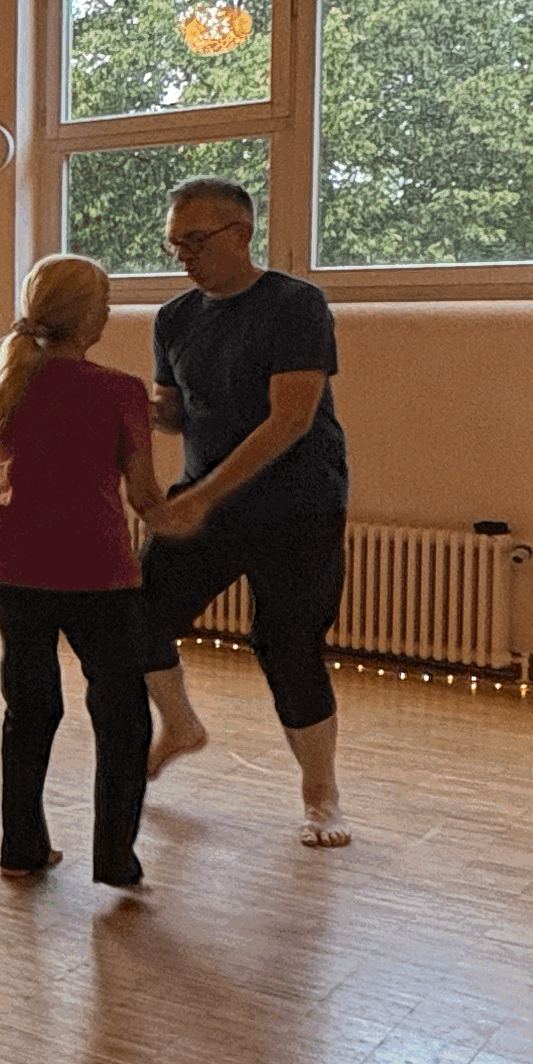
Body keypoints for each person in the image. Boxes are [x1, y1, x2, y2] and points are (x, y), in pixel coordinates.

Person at [134, 178, 354, 846]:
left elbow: (290, 419)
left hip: (298, 506)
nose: (185, 255)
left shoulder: (296, 305)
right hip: (206, 500)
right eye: (176, 244)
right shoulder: (173, 318)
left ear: (242, 233)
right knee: (135, 620)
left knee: (287, 648)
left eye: (196, 241)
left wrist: (201, 495)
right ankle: (181, 726)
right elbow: (173, 413)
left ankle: (321, 794)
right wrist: (104, 405)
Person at [0, 256, 163, 888]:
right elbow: (145, 496)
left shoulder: (10, 382)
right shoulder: (121, 390)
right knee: (122, 717)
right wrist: (200, 509)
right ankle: (115, 856)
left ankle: (20, 848)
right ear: (88, 315)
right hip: (96, 572)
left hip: (13, 567)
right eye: (105, 301)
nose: (109, 311)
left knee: (28, 711)